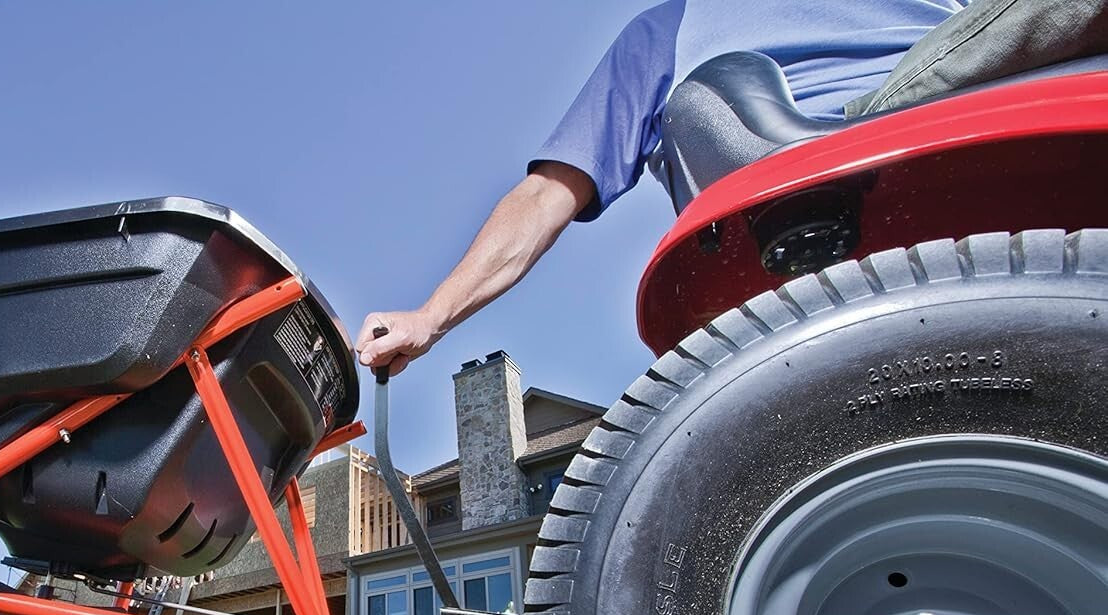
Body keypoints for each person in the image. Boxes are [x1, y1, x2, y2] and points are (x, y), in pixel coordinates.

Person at [353, 0, 978, 377]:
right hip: (815, 160)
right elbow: (547, 194)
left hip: (993, 99)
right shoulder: (669, 31)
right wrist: (430, 317)